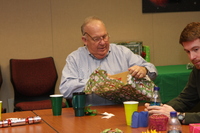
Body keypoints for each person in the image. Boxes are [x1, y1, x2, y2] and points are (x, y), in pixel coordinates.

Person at [59, 16, 157, 106]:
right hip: (90, 113)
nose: (102, 42)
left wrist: (144, 70)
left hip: (122, 111)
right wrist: (96, 82)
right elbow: (66, 89)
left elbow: (152, 70)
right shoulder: (75, 58)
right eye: (96, 39)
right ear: (85, 40)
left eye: (105, 37)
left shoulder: (122, 52)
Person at [145, 22, 200, 125]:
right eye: (187, 52)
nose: (192, 57)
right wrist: (160, 110)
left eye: (196, 49)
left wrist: (179, 116)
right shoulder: (197, 70)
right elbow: (185, 99)